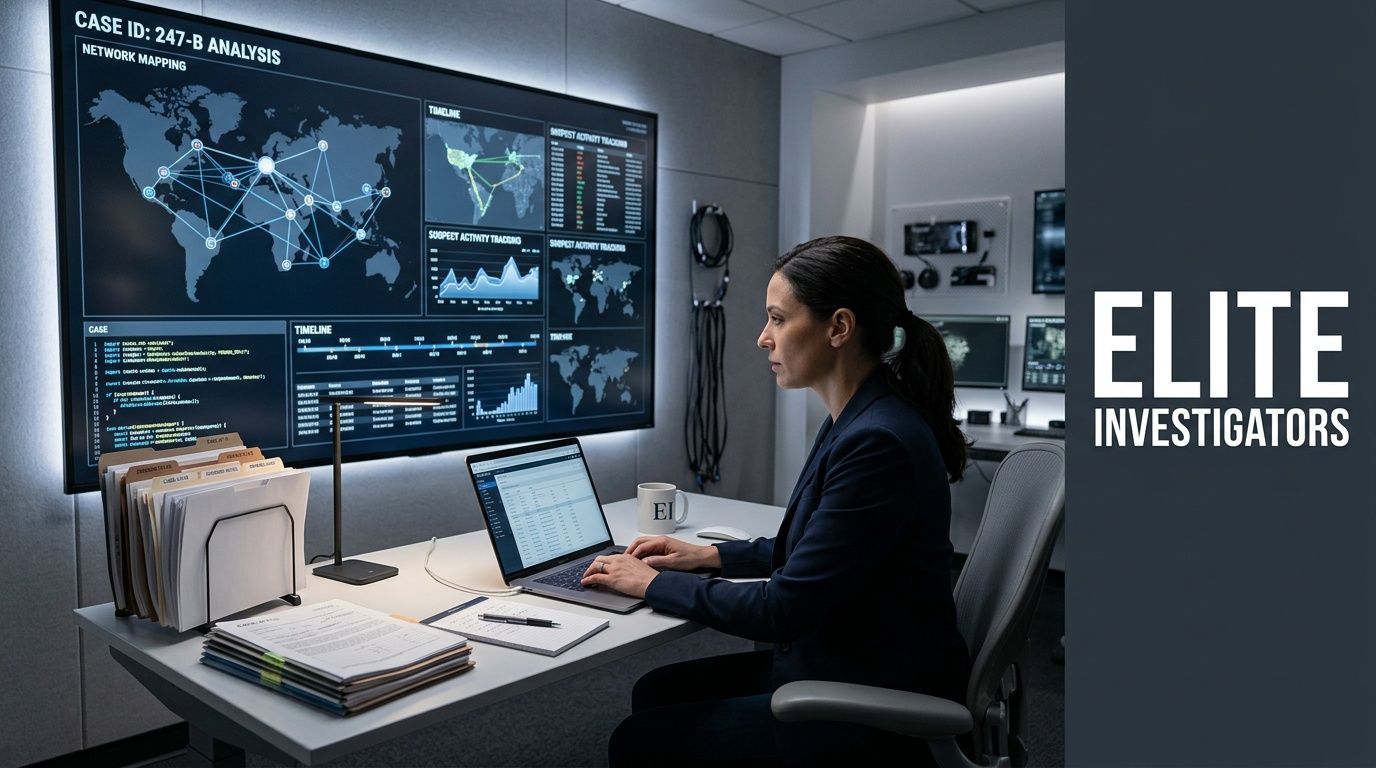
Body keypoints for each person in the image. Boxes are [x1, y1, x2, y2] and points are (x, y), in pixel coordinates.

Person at [580, 235, 972, 766]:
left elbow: (783, 609)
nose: (762, 338)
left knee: (637, 740)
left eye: (778, 319)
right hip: (852, 657)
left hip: (872, 696)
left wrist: (652, 584)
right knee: (655, 692)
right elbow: (821, 547)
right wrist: (709, 556)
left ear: (839, 327)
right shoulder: (862, 415)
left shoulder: (877, 441)